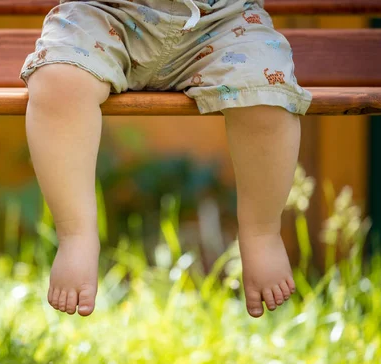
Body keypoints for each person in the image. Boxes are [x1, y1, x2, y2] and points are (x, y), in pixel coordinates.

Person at [19, 0, 311, 318]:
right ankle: (75, 233)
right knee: (58, 81)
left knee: (267, 93)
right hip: (107, 14)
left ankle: (262, 232)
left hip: (221, 20)